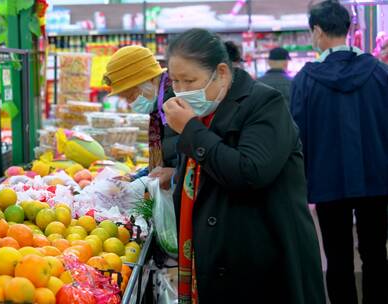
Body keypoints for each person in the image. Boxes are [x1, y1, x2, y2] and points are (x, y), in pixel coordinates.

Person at [162, 28, 325, 303]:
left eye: (190, 81)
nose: (181, 91)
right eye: (175, 82)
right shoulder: (204, 113)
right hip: (219, 260)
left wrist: (190, 130)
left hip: (266, 263)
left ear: (222, 73)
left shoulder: (265, 103)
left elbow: (249, 172)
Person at [291, 1, 388, 303]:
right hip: (377, 179)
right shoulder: (381, 73)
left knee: (337, 258)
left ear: (317, 31)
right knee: (376, 254)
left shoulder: (306, 80)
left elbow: (298, 134)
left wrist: (301, 183)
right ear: (349, 29)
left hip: (326, 182)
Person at [104, 46, 178, 189]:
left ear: (149, 81)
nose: (130, 103)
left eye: (131, 96)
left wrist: (176, 174)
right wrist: (135, 178)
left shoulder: (174, 103)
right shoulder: (159, 107)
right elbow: (166, 162)